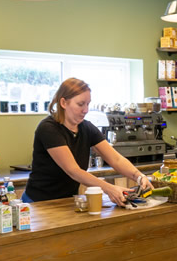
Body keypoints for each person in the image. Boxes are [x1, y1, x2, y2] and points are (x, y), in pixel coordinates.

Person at [22, 78, 153, 205]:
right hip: (38, 203)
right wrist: (109, 189)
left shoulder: (86, 127)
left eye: (88, 104)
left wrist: (139, 176)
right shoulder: (49, 128)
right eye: (80, 104)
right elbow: (73, 170)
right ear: (63, 103)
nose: (86, 110)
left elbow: (116, 159)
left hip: (66, 201)